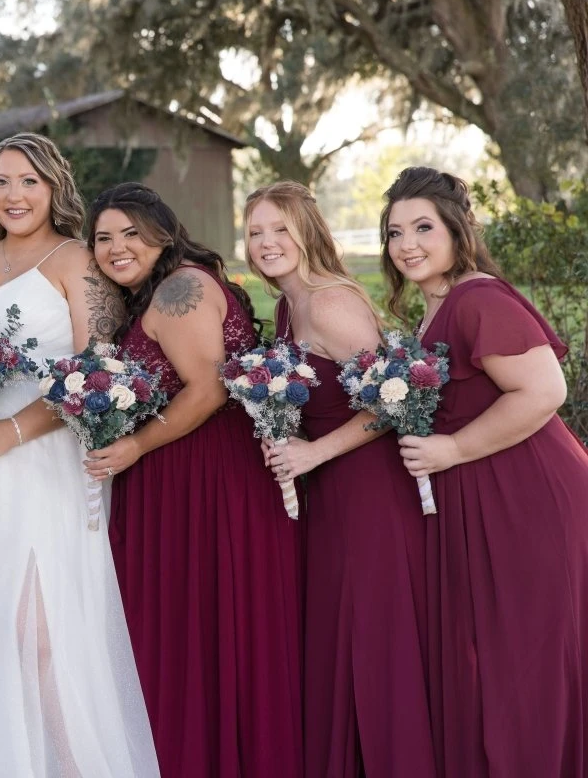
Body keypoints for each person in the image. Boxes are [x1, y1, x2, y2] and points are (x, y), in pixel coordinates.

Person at [0, 135, 158, 778]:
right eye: (2, 182)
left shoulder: (78, 262)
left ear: (54, 189)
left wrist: (11, 431)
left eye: (30, 182)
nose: (15, 195)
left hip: (41, 466)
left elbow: (96, 379)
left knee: (40, 638)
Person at [82, 182, 302, 777]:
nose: (116, 247)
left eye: (131, 232)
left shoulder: (180, 286)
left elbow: (206, 389)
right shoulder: (160, 288)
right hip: (178, 478)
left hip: (205, 483)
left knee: (203, 631)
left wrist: (133, 445)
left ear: (163, 232)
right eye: (103, 238)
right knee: (188, 637)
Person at [380, 166, 588, 776]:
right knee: (495, 662)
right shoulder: (438, 305)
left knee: (525, 662)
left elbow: (545, 389)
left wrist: (452, 450)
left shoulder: (477, 299)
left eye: (423, 227)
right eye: (395, 232)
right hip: (484, 496)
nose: (407, 244)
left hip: (527, 501)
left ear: (456, 230)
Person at [246, 181, 436, 777]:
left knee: (372, 640)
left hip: (367, 493)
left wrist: (311, 453)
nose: (267, 242)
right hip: (326, 493)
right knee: (336, 641)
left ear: (306, 231)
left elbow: (392, 402)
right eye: (255, 232)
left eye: (279, 229)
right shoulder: (285, 306)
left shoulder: (330, 302)